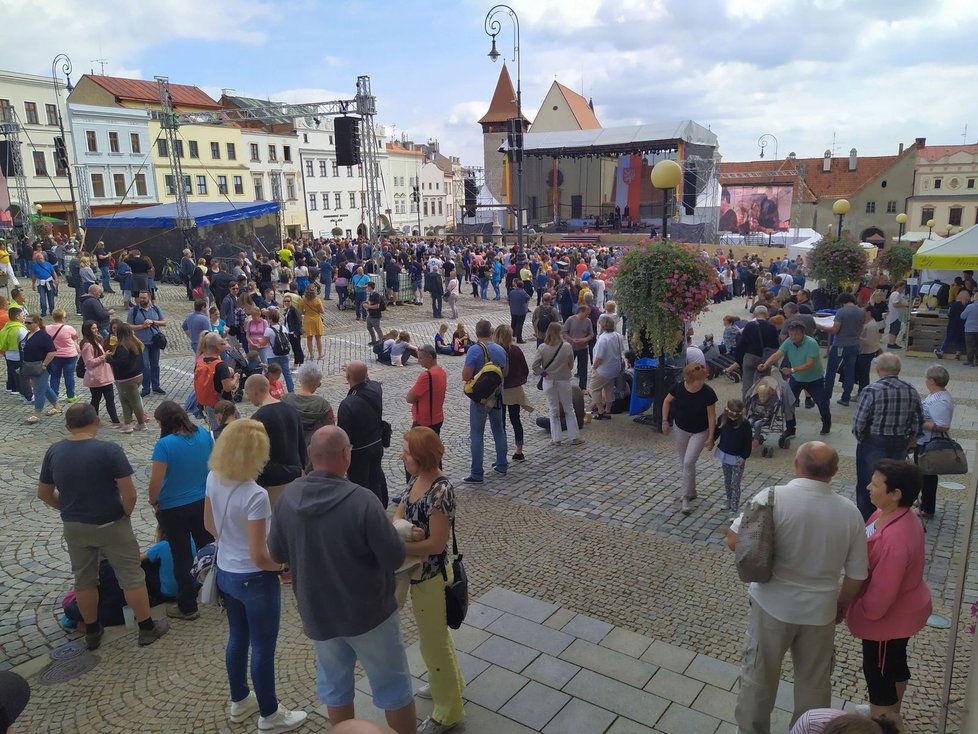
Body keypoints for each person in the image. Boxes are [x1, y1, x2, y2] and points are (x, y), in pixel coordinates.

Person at [267, 426, 416, 734]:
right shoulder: (363, 500)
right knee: (393, 686)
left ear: (309, 455)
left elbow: (276, 552)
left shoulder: (289, 496)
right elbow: (394, 557)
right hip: (369, 613)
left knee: (335, 686)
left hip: (319, 613)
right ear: (347, 456)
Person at [726, 442, 868, 734]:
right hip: (820, 611)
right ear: (834, 473)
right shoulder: (850, 512)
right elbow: (857, 574)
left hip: (771, 604)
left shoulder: (772, 497)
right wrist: (840, 604)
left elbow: (734, 539)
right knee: (814, 685)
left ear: (796, 465)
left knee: (758, 678)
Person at [37, 403, 170, 649]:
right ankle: (146, 627)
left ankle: (92, 631)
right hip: (111, 522)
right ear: (96, 421)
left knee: (84, 580)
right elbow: (129, 493)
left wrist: (65, 508)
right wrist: (125, 515)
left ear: (67, 426)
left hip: (75, 526)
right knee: (131, 576)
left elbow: (44, 493)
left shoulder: (54, 452)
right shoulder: (109, 450)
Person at [204, 418, 308, 732]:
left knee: (237, 638)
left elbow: (209, 525)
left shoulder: (212, 477)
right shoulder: (255, 494)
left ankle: (240, 700)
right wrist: (284, 566)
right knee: (263, 647)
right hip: (254, 579)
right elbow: (260, 555)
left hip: (226, 572)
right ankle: (270, 714)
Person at [844, 459, 931, 731]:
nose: (868, 487)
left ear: (895, 494)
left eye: (876, 484)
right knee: (894, 666)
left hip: (886, 624)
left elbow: (879, 601)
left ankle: (882, 721)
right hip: (903, 612)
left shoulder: (895, 540)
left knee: (879, 675)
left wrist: (851, 609)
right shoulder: (892, 513)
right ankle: (890, 713)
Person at [394, 427, 466, 733]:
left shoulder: (440, 489)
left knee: (432, 644)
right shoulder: (415, 479)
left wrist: (398, 545)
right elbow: (397, 514)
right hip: (417, 573)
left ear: (421, 458)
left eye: (407, 452)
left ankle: (447, 712)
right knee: (437, 637)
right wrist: (401, 532)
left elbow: (436, 544)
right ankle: (450, 684)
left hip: (431, 576)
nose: (402, 455)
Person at [147, 401, 214, 622]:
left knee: (181, 555)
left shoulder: (165, 445)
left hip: (173, 506)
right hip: (202, 500)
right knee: (207, 546)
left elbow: (156, 480)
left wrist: (153, 500)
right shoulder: (204, 434)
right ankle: (216, 591)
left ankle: (187, 605)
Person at [852, 353, 922, 521]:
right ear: (898, 370)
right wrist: (910, 439)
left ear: (878, 369)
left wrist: (861, 438)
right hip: (899, 442)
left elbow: (859, 422)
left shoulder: (871, 390)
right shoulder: (911, 389)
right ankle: (890, 517)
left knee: (867, 484)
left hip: (873, 441)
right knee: (893, 482)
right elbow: (918, 420)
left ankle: (868, 521)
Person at [662, 363, 718, 515]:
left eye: (703, 380)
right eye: (699, 380)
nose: (702, 383)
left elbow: (711, 416)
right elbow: (666, 401)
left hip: (700, 431)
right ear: (690, 379)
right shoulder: (679, 388)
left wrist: (711, 437)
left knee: (688, 461)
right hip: (681, 428)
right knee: (685, 462)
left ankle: (686, 496)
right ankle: (692, 491)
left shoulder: (708, 393)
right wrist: (665, 421)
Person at [244, 375, 307, 509]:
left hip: (274, 483)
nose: (248, 398)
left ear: (255, 392)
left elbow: (258, 459)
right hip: (296, 477)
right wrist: (302, 470)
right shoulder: (291, 410)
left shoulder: (257, 419)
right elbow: (302, 444)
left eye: (248, 393)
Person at [760, 322, 831, 436]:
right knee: (788, 402)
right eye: (791, 334)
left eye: (797, 334)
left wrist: (791, 370)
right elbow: (777, 355)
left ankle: (826, 424)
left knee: (821, 403)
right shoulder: (788, 342)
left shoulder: (811, 343)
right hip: (797, 379)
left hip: (814, 379)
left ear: (803, 333)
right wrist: (766, 364)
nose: (793, 336)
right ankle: (790, 428)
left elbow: (809, 364)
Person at [462, 320, 509, 483]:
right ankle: (502, 464)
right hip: (496, 396)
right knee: (499, 430)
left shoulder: (475, 350)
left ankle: (477, 473)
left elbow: (466, 376)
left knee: (477, 434)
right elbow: (506, 372)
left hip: (480, 398)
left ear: (477, 332)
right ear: (491, 331)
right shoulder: (500, 349)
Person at [337, 361, 389, 507]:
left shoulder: (347, 404)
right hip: (377, 444)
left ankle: (366, 515)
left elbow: (345, 437)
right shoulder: (375, 388)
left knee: (360, 486)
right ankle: (380, 509)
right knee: (376, 479)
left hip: (359, 451)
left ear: (347, 377)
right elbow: (371, 381)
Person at [532, 322, 581, 448]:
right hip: (564, 379)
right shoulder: (566, 346)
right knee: (568, 408)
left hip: (549, 381)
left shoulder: (542, 347)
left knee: (553, 409)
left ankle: (556, 438)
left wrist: (543, 374)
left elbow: (535, 366)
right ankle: (574, 437)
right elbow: (571, 364)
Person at [914, 365, 953, 518]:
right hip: (924, 440)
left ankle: (927, 508)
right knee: (923, 474)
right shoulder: (935, 395)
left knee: (928, 475)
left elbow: (943, 426)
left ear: (931, 380)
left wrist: (919, 421)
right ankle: (924, 500)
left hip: (930, 443)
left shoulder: (941, 399)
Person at [816, 293, 864, 406]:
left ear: (842, 302)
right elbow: (861, 329)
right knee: (849, 371)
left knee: (831, 371)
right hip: (854, 345)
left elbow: (835, 330)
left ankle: (826, 396)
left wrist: (821, 327)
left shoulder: (841, 312)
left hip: (840, 345)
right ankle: (846, 397)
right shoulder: (861, 312)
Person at [495, 324, 532, 463]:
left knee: (501, 423)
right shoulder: (516, 350)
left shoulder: (496, 351)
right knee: (516, 420)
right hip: (515, 389)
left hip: (500, 390)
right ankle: (519, 451)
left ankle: (501, 455)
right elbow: (525, 369)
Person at [728, 305, 779, 400]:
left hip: (750, 356)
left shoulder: (750, 326)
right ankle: (762, 405)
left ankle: (747, 406)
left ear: (755, 314)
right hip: (765, 358)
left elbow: (742, 344)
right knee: (764, 383)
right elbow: (775, 346)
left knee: (747, 383)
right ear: (767, 314)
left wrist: (739, 360)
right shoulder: (772, 327)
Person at [282, 361, 335, 454]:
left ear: (300, 379)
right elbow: (331, 430)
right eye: (319, 382)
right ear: (315, 383)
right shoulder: (323, 405)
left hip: (290, 451)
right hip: (315, 453)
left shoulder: (285, 400)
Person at [106, 321, 146, 434]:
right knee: (126, 400)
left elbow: (121, 362)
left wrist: (109, 359)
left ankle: (139, 423)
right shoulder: (134, 342)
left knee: (133, 401)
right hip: (137, 375)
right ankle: (128, 423)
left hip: (127, 378)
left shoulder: (122, 346)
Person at [20, 315, 61, 424]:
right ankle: (57, 406)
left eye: (29, 323)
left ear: (37, 323)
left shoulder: (43, 336)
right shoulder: (28, 334)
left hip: (40, 367)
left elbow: (52, 352)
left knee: (38, 390)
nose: (27, 324)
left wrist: (44, 364)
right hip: (30, 366)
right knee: (45, 387)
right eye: (26, 322)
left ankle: (37, 413)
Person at [79, 319, 121, 427]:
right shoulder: (88, 345)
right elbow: (89, 363)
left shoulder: (96, 340)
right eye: (93, 328)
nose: (96, 330)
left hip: (104, 375)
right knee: (96, 399)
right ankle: (94, 420)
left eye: (96, 327)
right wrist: (103, 357)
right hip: (96, 377)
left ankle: (115, 420)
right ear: (88, 330)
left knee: (110, 399)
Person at [714, 398, 752, 513]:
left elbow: (747, 443)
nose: (733, 418)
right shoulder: (722, 419)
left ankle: (734, 508)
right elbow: (717, 432)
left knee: (735, 483)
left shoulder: (745, 424)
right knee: (727, 480)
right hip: (725, 454)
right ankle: (729, 500)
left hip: (737, 458)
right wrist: (710, 441)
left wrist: (744, 457)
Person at [127, 290, 166, 397]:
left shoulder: (156, 309)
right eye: (140, 298)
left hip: (155, 342)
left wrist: (153, 322)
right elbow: (129, 326)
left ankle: (156, 386)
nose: (141, 300)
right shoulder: (134, 310)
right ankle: (146, 388)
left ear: (149, 298)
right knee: (145, 365)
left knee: (155, 365)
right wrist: (141, 326)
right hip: (141, 343)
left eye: (144, 298)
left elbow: (164, 322)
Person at [589, 315, 624, 420]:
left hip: (603, 369)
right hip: (614, 367)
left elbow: (599, 357)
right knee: (609, 388)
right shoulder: (618, 336)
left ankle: (601, 411)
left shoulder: (603, 339)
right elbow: (621, 350)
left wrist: (594, 367)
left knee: (594, 389)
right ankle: (608, 409)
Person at [406, 345, 447, 435]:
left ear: (430, 357)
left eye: (421, 358)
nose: (418, 361)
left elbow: (409, 398)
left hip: (424, 421)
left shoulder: (427, 375)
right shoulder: (441, 371)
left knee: (417, 447)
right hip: (437, 418)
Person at [45, 309, 79, 403]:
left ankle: (54, 395)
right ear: (63, 318)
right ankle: (71, 396)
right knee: (69, 376)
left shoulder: (47, 328)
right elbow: (75, 337)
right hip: (69, 355)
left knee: (55, 376)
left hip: (55, 355)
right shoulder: (68, 328)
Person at [561, 301, 593, 391]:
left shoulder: (588, 321)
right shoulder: (571, 320)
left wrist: (585, 339)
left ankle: (583, 387)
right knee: (567, 366)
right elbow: (564, 332)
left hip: (583, 347)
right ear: (581, 311)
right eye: (586, 314)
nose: (587, 316)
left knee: (583, 368)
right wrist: (571, 339)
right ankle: (564, 384)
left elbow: (591, 334)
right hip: (571, 347)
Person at [264, 310, 295, 394]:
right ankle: (291, 391)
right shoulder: (283, 328)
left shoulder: (268, 330)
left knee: (272, 374)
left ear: (270, 319)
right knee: (287, 373)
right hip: (284, 354)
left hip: (272, 355)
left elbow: (264, 342)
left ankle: (273, 390)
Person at [935, 289, 970, 359]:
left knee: (948, 338)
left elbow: (950, 315)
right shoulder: (967, 306)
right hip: (962, 325)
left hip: (953, 325)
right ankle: (958, 353)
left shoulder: (954, 305)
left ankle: (941, 352)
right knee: (959, 339)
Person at [857, 308, 883, 394]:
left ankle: (862, 392)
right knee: (861, 373)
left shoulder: (872, 325)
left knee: (863, 374)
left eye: (864, 311)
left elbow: (869, 341)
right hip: (863, 351)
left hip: (867, 352)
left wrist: (857, 337)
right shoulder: (866, 322)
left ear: (869, 313)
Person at [299, 285, 325, 360]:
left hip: (307, 320)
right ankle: (320, 355)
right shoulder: (317, 300)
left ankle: (311, 355)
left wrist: (306, 312)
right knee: (318, 338)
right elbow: (322, 311)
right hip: (316, 319)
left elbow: (300, 312)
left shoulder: (303, 300)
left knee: (309, 338)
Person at [30, 251, 58, 317]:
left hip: (49, 282)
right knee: (42, 298)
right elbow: (34, 276)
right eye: (39, 258)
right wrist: (33, 284)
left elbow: (54, 272)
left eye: (41, 258)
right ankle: (43, 311)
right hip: (41, 283)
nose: (40, 260)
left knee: (51, 298)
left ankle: (52, 310)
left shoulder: (48, 264)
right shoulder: (35, 266)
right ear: (36, 260)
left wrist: (56, 280)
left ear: (43, 258)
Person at [884, 282, 907, 349]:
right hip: (895, 315)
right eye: (903, 287)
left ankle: (891, 342)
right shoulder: (896, 294)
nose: (903, 289)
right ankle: (891, 343)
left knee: (894, 328)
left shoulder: (895, 294)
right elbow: (895, 304)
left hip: (895, 315)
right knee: (895, 328)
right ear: (899, 287)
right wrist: (905, 305)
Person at [507, 279, 531, 343]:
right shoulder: (523, 293)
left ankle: (511, 336)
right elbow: (528, 298)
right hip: (521, 311)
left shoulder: (512, 292)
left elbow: (508, 299)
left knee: (513, 323)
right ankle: (519, 339)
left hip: (513, 310)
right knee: (519, 324)